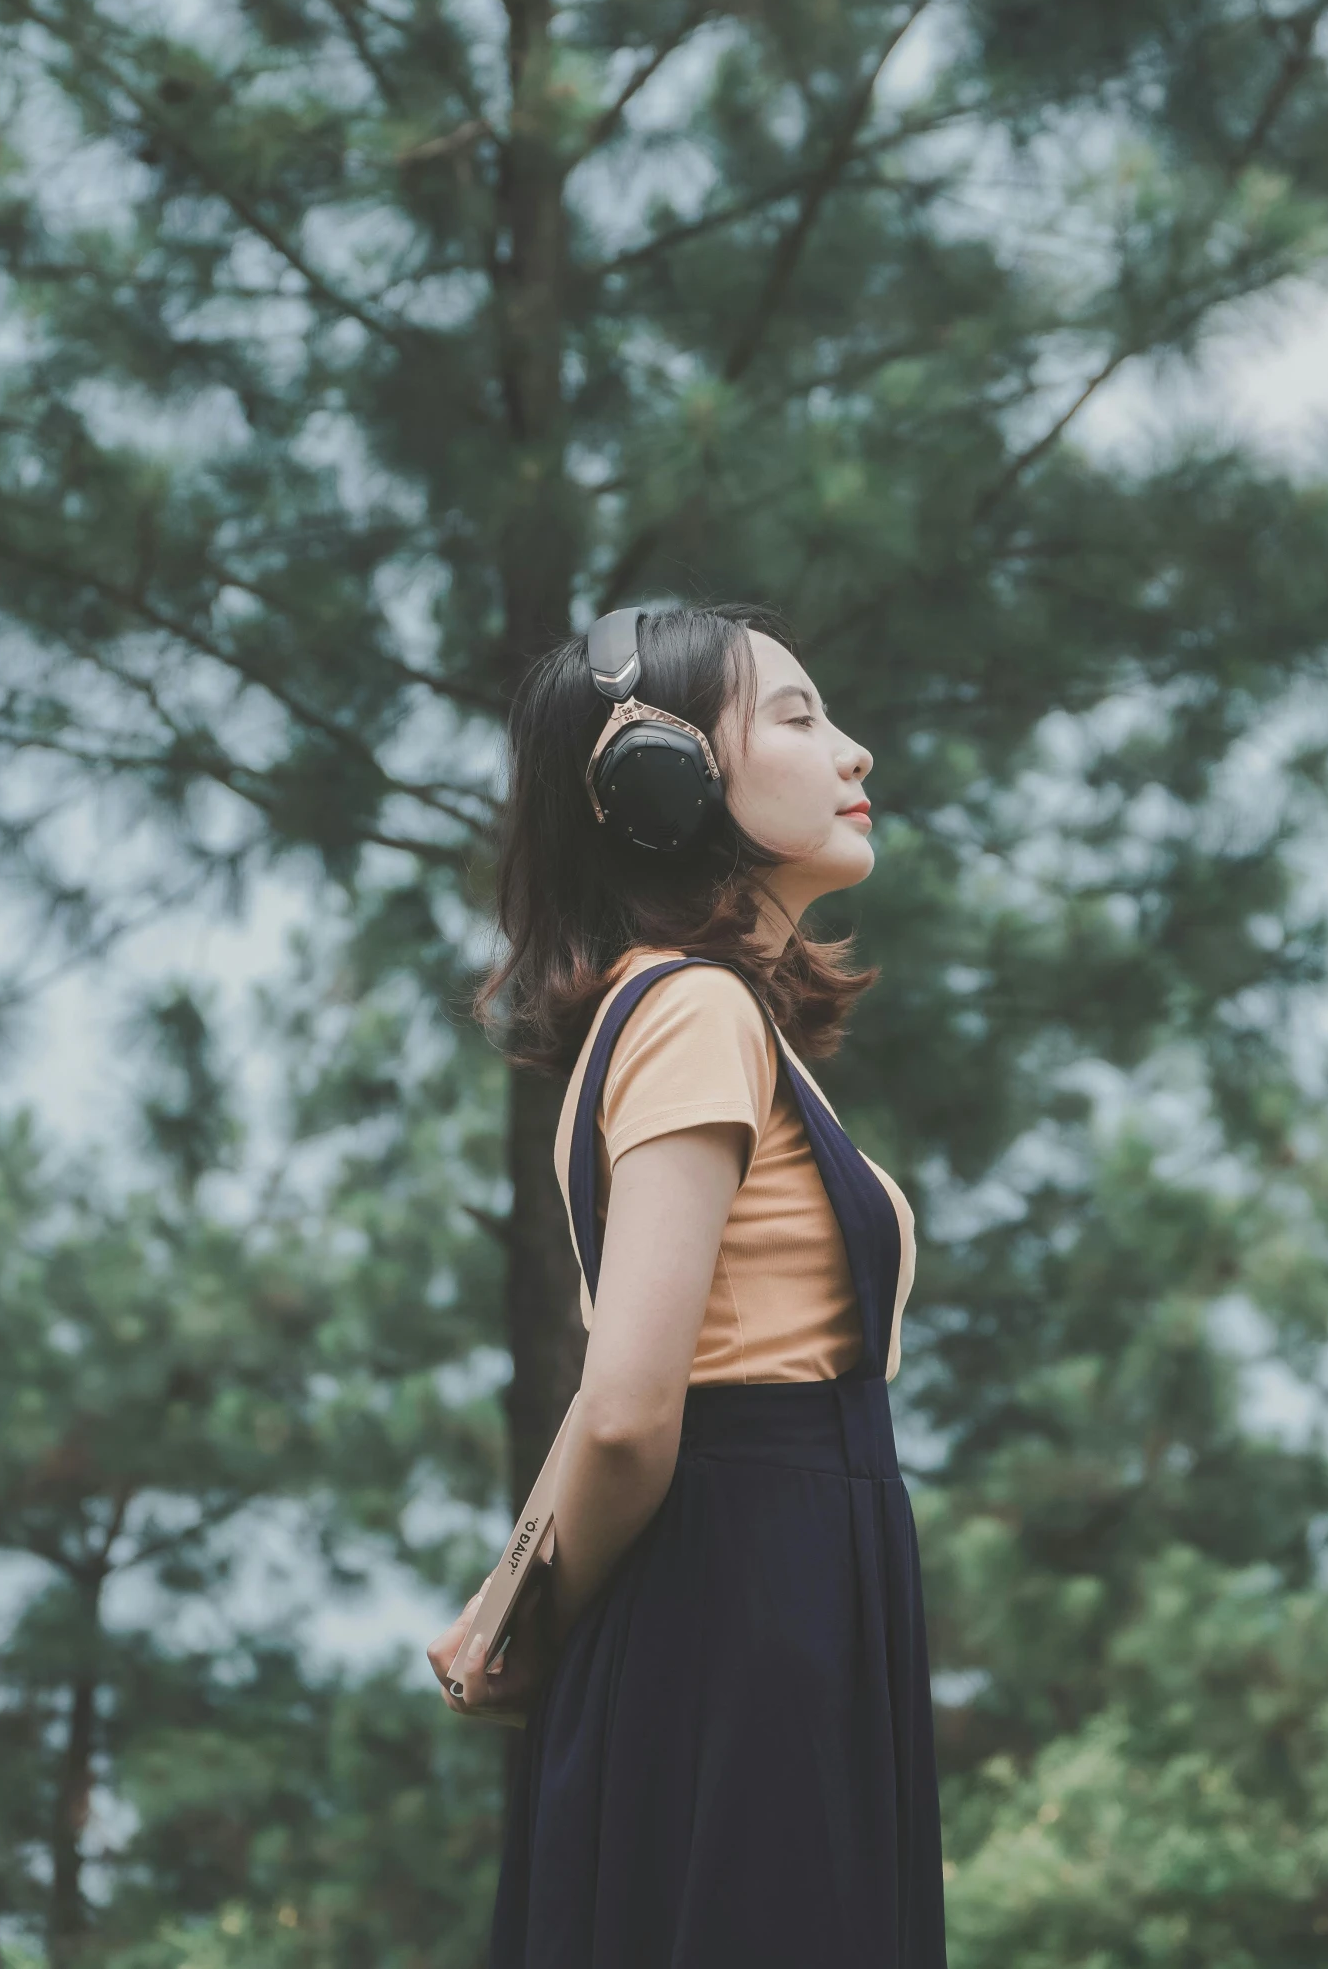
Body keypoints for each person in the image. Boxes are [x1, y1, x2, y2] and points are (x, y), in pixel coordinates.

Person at [426, 601, 947, 1968]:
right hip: (750, 1604)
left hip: (764, 1592)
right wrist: (522, 1632)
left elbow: (625, 1377)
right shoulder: (696, 1012)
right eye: (795, 716)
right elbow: (626, 1412)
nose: (856, 752)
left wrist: (504, 1606)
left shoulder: (687, 1014)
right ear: (661, 785)